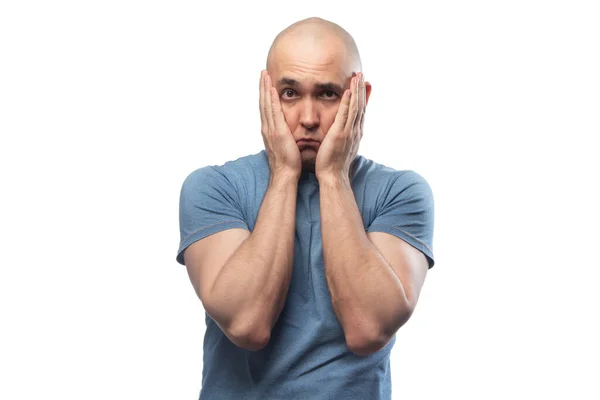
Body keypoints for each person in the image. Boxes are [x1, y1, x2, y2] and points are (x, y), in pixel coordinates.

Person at [176, 16, 435, 400]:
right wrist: (284, 174)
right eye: (290, 93)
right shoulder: (214, 187)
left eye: (328, 94)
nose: (309, 119)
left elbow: (368, 329)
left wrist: (333, 176)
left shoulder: (401, 193)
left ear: (360, 96)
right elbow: (247, 324)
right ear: (265, 94)